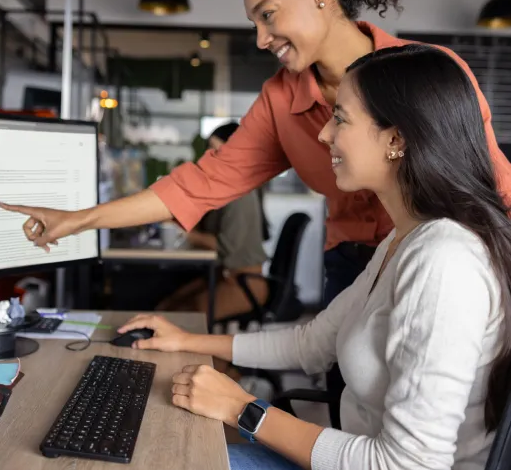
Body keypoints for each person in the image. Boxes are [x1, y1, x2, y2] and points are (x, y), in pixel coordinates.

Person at [0, 0, 511, 425]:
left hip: (443, 271)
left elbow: (492, 190)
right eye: (255, 24)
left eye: (268, 16)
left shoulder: (428, 79)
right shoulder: (281, 102)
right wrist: (79, 220)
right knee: (356, 414)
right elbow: (200, 183)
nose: (262, 39)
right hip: (360, 270)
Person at [114, 45, 511, 470]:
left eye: (340, 118)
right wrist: (187, 342)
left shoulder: (444, 261)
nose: (324, 135)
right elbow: (311, 344)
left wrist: (243, 408)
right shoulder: (404, 239)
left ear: (396, 139)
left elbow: (408, 464)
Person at [156, 122, 270, 321]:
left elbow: (227, 247)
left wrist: (188, 234)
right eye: (208, 149)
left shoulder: (241, 194)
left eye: (216, 151)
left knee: (181, 317)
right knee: (166, 306)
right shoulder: (223, 189)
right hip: (222, 276)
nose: (208, 156)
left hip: (243, 283)